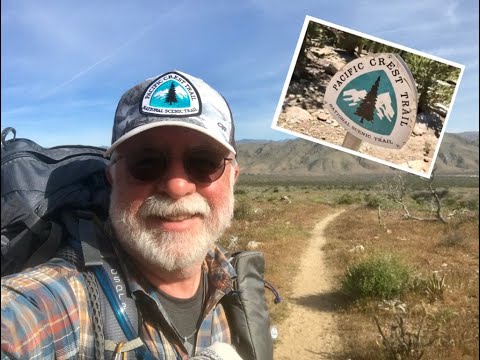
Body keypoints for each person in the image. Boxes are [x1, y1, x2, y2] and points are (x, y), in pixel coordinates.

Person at [1, 71, 264, 359]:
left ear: (233, 177)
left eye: (204, 162)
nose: (177, 186)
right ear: (112, 176)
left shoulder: (233, 283)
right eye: (146, 162)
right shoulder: (53, 303)